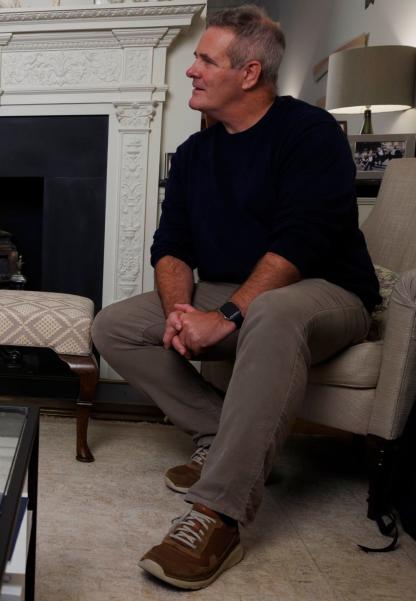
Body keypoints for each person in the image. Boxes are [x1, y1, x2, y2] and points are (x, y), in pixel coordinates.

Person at [91, 5, 379, 590]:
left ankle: (218, 514)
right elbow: (170, 244)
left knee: (270, 310)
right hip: (239, 289)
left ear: (249, 74)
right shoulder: (197, 154)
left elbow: (300, 243)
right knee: (113, 325)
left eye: (205, 59)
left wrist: (223, 317)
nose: (191, 70)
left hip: (325, 292)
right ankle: (224, 438)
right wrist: (181, 312)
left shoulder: (310, 134)